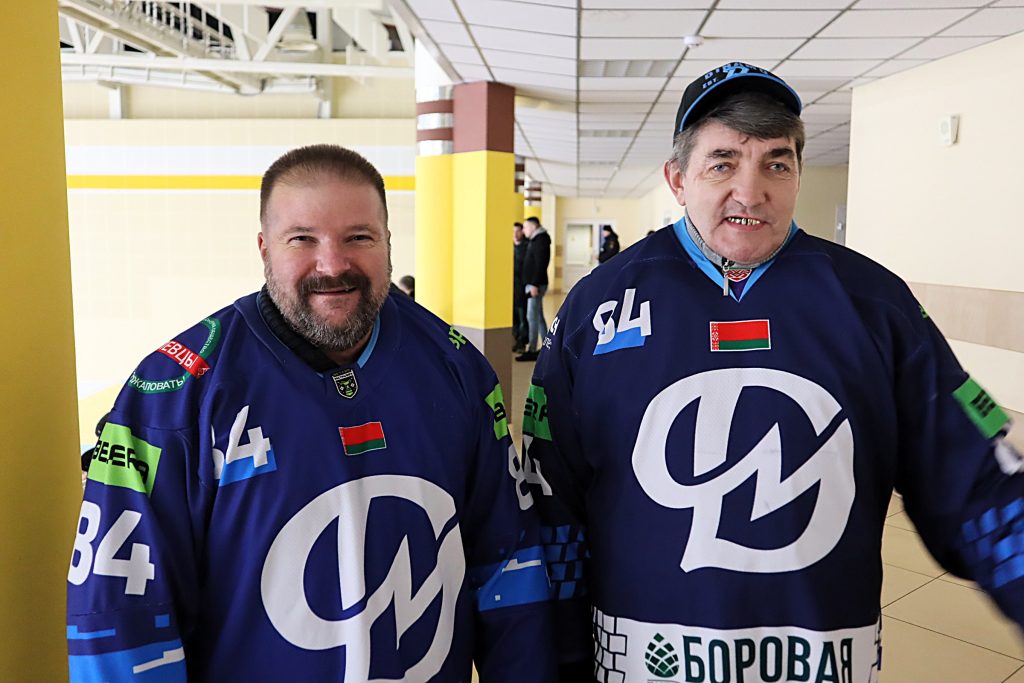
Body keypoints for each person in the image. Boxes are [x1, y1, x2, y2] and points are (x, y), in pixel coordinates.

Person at [523, 62, 1024, 681]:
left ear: (797, 176)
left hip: (820, 657)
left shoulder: (875, 303)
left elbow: (977, 484)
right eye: (723, 163)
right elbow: (550, 507)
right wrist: (558, 659)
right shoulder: (597, 308)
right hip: (643, 658)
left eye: (776, 164)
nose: (751, 191)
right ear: (678, 179)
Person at [67, 144, 556, 683]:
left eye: (359, 237)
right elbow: (118, 616)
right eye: (302, 239)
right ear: (263, 248)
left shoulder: (458, 369)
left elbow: (510, 565)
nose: (333, 265)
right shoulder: (173, 396)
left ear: (388, 243)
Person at [516, 216, 551, 362]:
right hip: (534, 283)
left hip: (535, 284)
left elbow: (541, 264)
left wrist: (535, 284)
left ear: (534, 226)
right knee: (539, 316)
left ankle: (532, 349)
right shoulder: (537, 239)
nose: (524, 231)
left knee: (532, 317)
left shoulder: (540, 240)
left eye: (525, 227)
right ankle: (548, 346)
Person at [512, 222, 529, 353]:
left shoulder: (527, 247)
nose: (515, 234)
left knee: (523, 317)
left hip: (522, 288)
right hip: (511, 289)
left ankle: (522, 342)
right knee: (514, 317)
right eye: (513, 231)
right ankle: (516, 339)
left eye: (518, 231)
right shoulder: (510, 248)